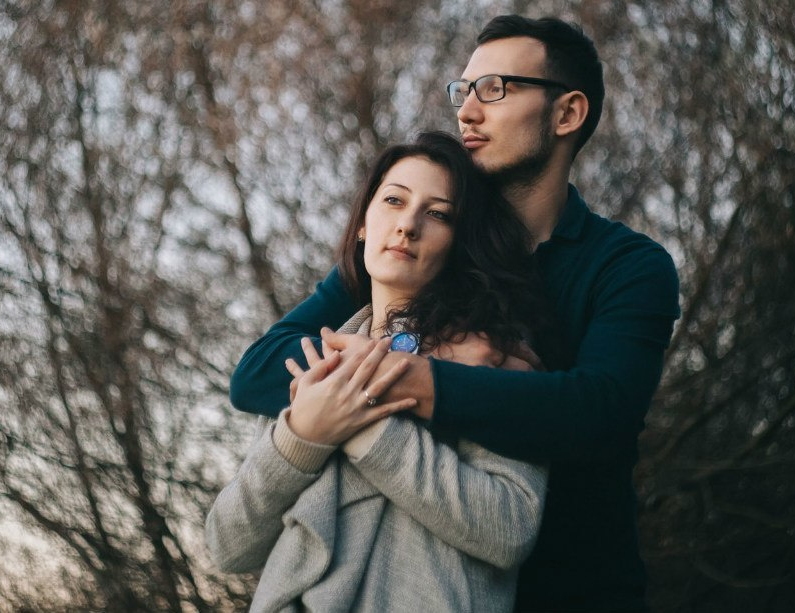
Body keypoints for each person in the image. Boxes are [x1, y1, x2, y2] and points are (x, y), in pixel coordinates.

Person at [229, 15, 681, 612]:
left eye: (495, 89)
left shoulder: (628, 266)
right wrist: (411, 365)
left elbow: (601, 412)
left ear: (567, 114)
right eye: (462, 90)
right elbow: (259, 371)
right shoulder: (422, 248)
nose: (467, 111)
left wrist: (421, 383)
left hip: (579, 592)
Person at [206, 132, 551, 611]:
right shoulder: (318, 361)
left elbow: (509, 529)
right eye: (393, 200)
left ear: (459, 242)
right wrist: (302, 437)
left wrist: (368, 426)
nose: (408, 225)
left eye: (438, 214)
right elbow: (227, 545)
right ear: (364, 223)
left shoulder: (492, 358)